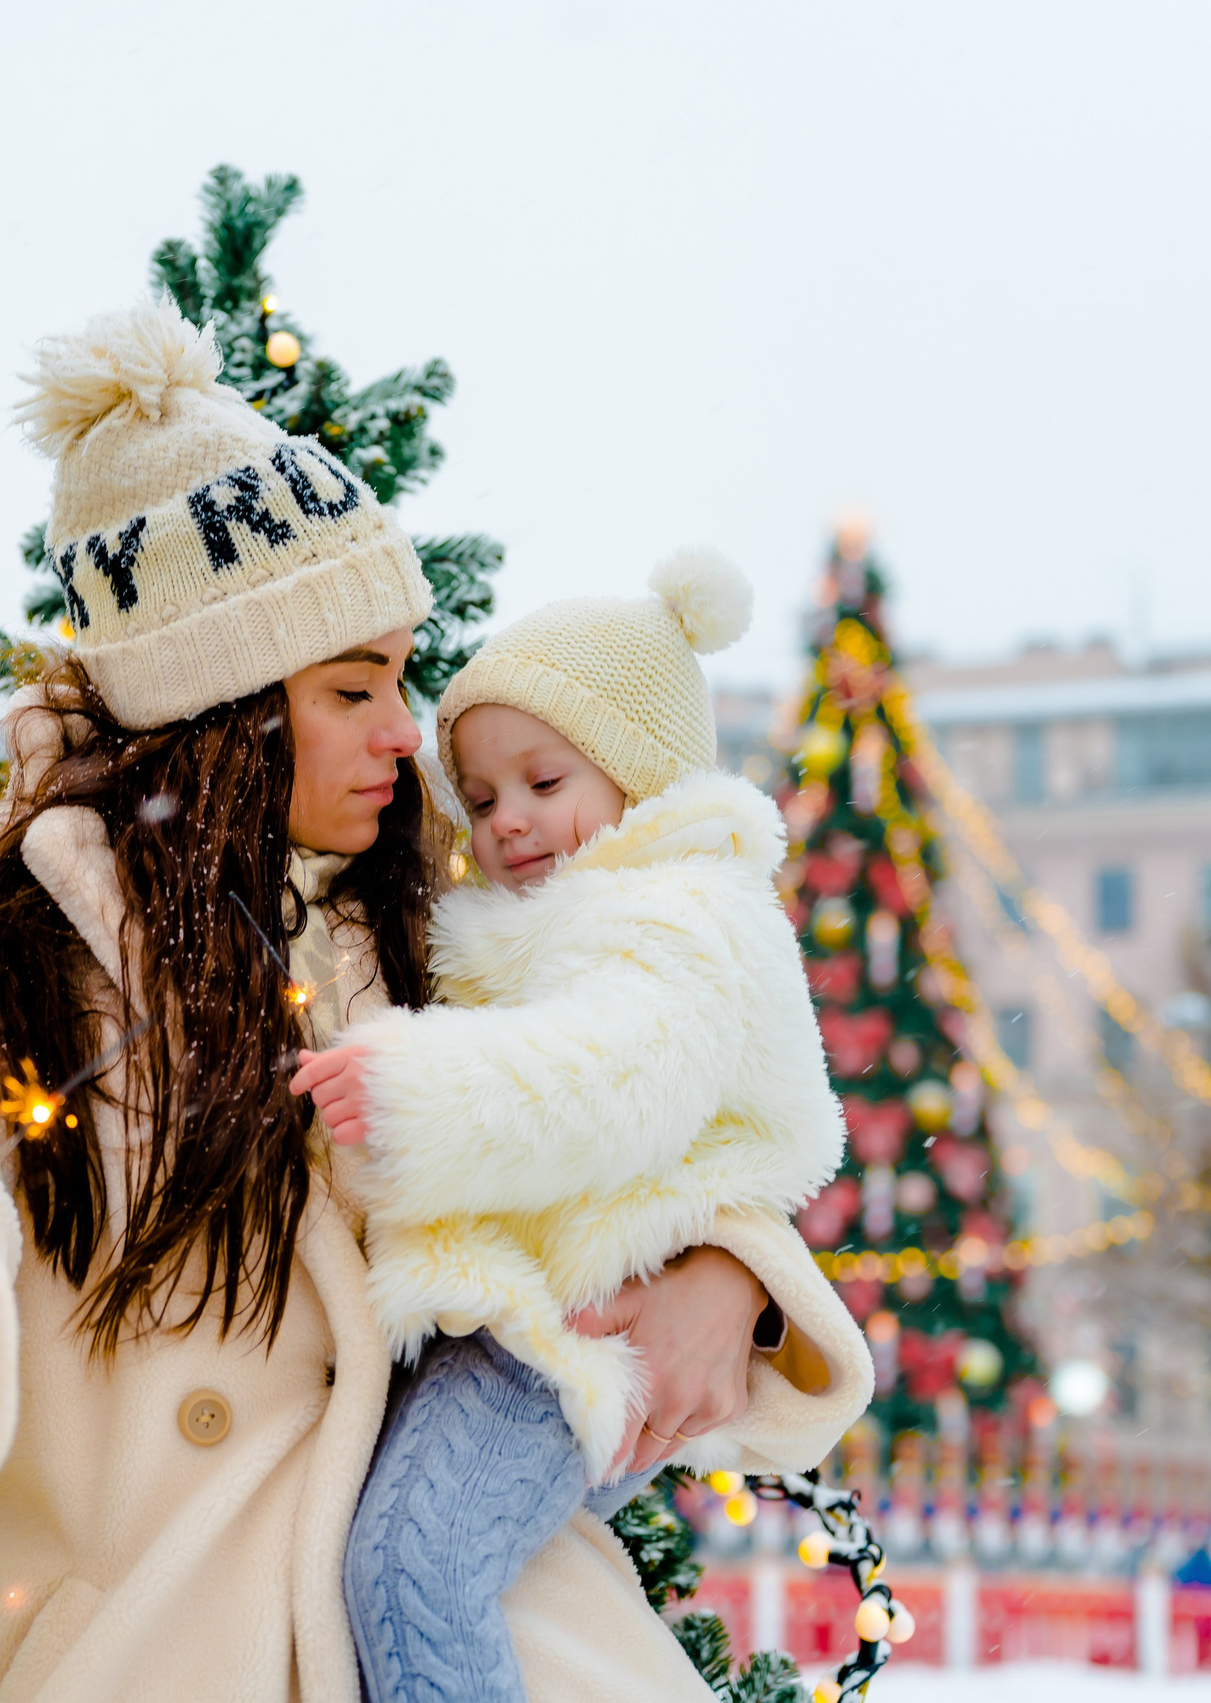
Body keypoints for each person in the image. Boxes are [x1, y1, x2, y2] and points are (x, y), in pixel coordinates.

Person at [0, 297, 871, 1703]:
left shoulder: (433, 916)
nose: (408, 727)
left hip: (493, 1633)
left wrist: (729, 1274)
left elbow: (651, 1076)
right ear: (230, 704)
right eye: (353, 685)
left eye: (399, 674)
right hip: (147, 1642)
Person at [293, 559, 865, 1702]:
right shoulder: (575, 915)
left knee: (415, 1567)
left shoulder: (671, 914)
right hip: (543, 1308)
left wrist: (413, 1094)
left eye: (542, 779)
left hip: (572, 1323)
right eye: (482, 794)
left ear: (641, 771)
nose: (506, 822)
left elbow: (611, 1080)